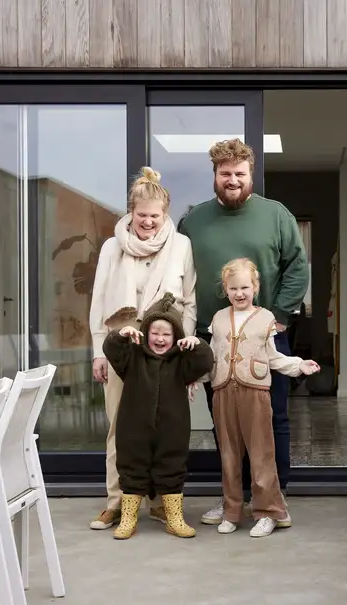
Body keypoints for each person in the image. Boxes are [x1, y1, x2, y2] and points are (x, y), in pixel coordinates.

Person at [177, 138, 309, 527]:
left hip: (265, 335)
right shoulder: (193, 221)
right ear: (214, 176)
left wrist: (281, 314)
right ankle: (232, 499)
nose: (232, 180)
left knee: (273, 419)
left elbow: (297, 267)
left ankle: (272, 498)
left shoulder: (276, 215)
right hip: (212, 338)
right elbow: (181, 275)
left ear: (251, 175)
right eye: (225, 174)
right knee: (226, 422)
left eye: (239, 173)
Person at [87, 167, 197, 531]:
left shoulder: (181, 245)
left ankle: (160, 503)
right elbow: (100, 298)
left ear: (165, 214)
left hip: (166, 345)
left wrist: (186, 348)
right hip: (122, 346)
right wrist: (98, 352)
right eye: (142, 215)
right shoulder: (111, 247)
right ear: (130, 212)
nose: (148, 222)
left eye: (155, 216)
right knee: (121, 424)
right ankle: (116, 502)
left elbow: (190, 302)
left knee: (163, 424)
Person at [207, 259, 319, 537]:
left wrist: (298, 365)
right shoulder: (219, 319)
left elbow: (273, 357)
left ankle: (268, 512)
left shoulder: (266, 318)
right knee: (229, 455)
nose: (239, 293)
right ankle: (232, 510)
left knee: (261, 454)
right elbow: (211, 357)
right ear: (226, 289)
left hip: (255, 393)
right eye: (233, 288)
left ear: (255, 287)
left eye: (245, 287)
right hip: (223, 391)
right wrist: (194, 380)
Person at [102, 292, 214, 540]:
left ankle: (174, 517)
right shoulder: (132, 357)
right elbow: (111, 349)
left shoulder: (181, 362)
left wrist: (198, 345)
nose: (160, 339)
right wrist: (120, 335)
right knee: (131, 468)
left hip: (172, 429)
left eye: (166, 334)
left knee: (172, 466)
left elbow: (204, 362)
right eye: (155, 333)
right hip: (134, 429)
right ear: (145, 334)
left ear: (176, 337)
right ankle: (129, 517)